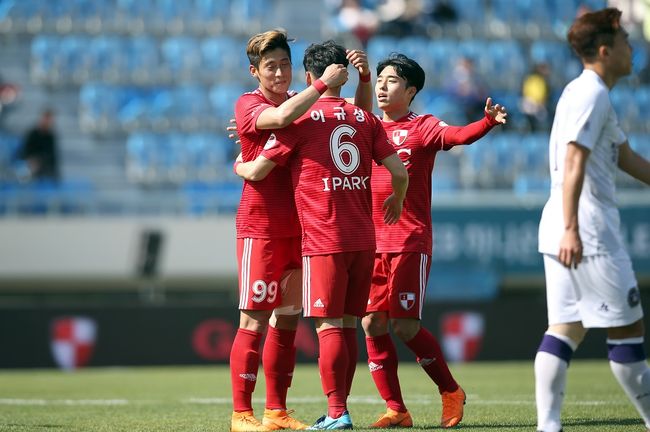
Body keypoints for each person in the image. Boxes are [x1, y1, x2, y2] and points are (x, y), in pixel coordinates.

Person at [235, 40, 409, 430]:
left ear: (308, 74)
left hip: (320, 236)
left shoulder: (302, 118)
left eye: (285, 65)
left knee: (322, 324)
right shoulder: (364, 119)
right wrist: (396, 201)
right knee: (340, 324)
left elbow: (260, 167)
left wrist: (240, 165)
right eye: (271, 66)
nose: (280, 73)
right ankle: (255, 412)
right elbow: (397, 169)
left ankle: (330, 412)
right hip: (353, 236)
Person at [362, 53, 507, 429]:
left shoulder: (422, 126)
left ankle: (450, 390)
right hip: (371, 243)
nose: (382, 86)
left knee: (404, 326)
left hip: (408, 240)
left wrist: (487, 122)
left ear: (410, 91)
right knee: (372, 323)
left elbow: (458, 136)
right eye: (380, 79)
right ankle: (396, 409)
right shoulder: (367, 127)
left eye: (392, 80)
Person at [535, 8, 650, 432]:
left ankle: (548, 426)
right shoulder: (592, 94)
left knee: (566, 329)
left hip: (563, 224)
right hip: (586, 229)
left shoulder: (584, 91)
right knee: (628, 332)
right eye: (625, 42)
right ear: (605, 50)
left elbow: (626, 156)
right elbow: (573, 160)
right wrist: (572, 228)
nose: (631, 48)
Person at [19, 109, 59, 181]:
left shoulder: (51, 136)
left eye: (50, 120)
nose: (48, 122)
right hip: (31, 163)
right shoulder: (32, 134)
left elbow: (52, 156)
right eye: (47, 119)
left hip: (45, 165)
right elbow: (25, 151)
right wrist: (32, 160)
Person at [520, 62, 552, 132]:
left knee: (543, 115)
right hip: (530, 103)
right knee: (526, 106)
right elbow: (525, 93)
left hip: (540, 105)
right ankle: (528, 128)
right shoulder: (530, 79)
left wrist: (541, 102)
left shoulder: (544, 81)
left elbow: (545, 95)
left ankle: (540, 130)